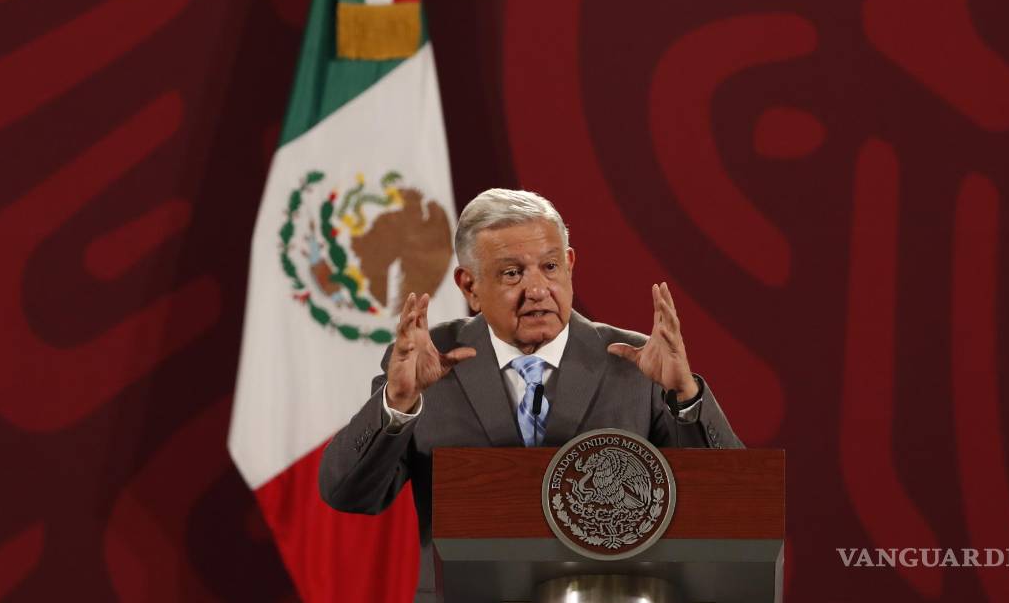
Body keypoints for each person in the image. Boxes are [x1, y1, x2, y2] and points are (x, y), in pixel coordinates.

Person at [318, 188, 743, 601]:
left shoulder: (636, 364)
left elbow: (733, 503)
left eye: (550, 267)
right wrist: (398, 404)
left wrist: (685, 396)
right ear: (469, 286)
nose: (537, 289)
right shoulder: (428, 365)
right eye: (512, 273)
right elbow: (347, 493)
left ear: (570, 265)